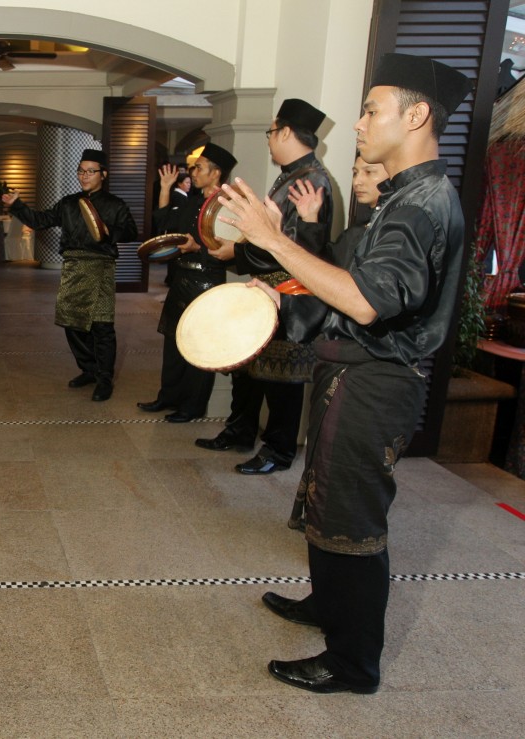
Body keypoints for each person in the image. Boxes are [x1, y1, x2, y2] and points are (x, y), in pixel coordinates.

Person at [217, 53, 472, 695]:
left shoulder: (422, 204)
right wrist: (283, 284)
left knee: (354, 516)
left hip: (377, 380)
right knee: (326, 501)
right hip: (351, 371)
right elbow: (344, 282)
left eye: (370, 109)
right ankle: (328, 606)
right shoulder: (403, 194)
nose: (358, 124)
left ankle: (353, 662)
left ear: (415, 116)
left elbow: (367, 301)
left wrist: (276, 242)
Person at [198, 98, 334, 475]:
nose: (269, 141)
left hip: (290, 293)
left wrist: (237, 255)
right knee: (249, 366)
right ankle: (240, 430)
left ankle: (279, 450)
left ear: (286, 132)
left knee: (282, 378)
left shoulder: (310, 181)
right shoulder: (292, 174)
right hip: (268, 287)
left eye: (271, 133)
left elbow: (295, 250)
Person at [3, 148, 138, 401]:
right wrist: (17, 205)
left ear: (103, 174)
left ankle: (104, 379)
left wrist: (110, 230)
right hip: (73, 267)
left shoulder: (115, 204)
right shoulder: (68, 203)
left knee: (101, 326)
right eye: (81, 171)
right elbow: (40, 220)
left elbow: (131, 231)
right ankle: (89, 369)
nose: (84, 176)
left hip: (100, 267)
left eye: (90, 171)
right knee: (71, 324)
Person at [137, 144, 237, 421]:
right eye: (193, 167)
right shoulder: (193, 201)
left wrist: (196, 249)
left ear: (217, 173)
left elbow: (232, 250)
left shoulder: (227, 206)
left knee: (198, 344)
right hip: (182, 278)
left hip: (206, 281)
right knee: (173, 340)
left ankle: (191, 407)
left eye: (199, 167)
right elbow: (165, 223)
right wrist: (166, 188)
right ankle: (167, 397)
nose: (193, 171)